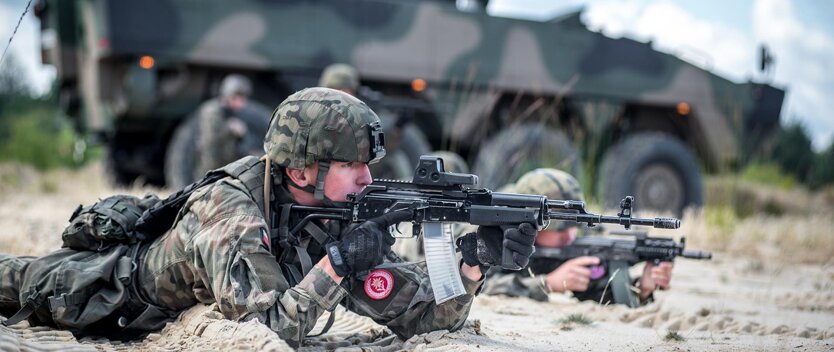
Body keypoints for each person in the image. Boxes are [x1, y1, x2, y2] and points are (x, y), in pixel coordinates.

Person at [0, 88, 536, 347]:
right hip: (107, 295)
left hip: (166, 307)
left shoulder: (328, 210)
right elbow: (269, 333)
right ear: (302, 170)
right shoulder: (232, 210)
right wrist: (337, 266)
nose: (368, 181)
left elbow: (422, 317)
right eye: (351, 165)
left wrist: (472, 266)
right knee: (16, 280)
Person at [481, 168, 674, 305]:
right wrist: (547, 283)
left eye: (574, 225)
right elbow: (483, 285)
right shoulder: (494, 233)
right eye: (559, 227)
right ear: (528, 222)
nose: (569, 235)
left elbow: (597, 292)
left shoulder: (566, 246)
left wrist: (642, 288)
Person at [194, 74, 270, 180]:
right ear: (228, 96)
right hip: (211, 166)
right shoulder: (212, 110)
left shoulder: (234, 112)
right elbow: (211, 138)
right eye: (237, 98)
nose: (241, 104)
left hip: (225, 165)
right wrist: (230, 129)